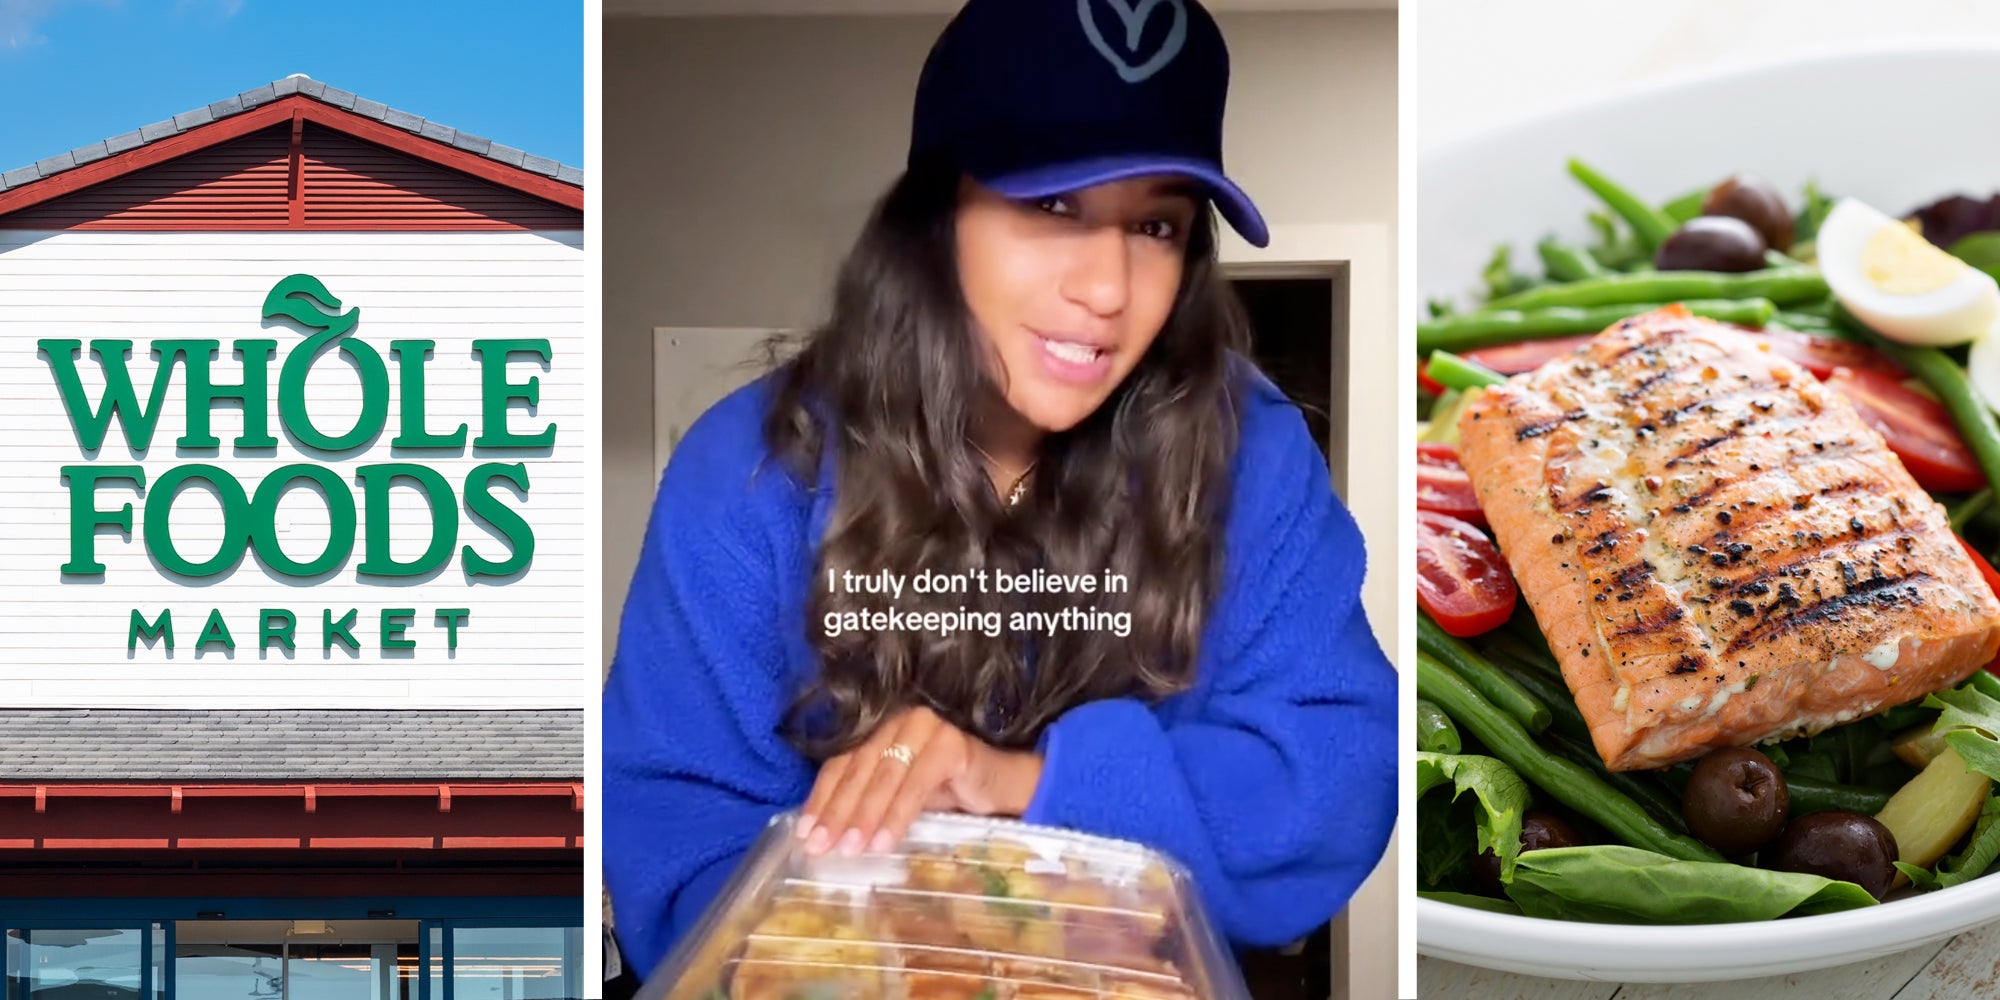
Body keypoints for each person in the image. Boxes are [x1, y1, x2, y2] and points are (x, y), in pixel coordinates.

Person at [604, 0, 1396, 978]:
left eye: (1154, 224)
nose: (1106, 288)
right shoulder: (750, 470)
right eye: (1051, 205)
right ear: (937, 217)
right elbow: (674, 836)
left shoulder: (1253, 451)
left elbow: (1331, 773)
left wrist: (1020, 781)